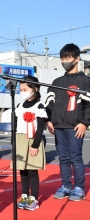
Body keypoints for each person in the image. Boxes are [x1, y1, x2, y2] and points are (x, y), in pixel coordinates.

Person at [45, 43, 90, 202]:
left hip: (75, 126)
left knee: (76, 157)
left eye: (68, 58)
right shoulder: (56, 81)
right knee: (63, 158)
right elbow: (49, 103)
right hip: (58, 126)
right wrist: (48, 120)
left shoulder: (85, 81)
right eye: (63, 58)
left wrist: (85, 122)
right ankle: (65, 185)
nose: (65, 61)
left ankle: (79, 188)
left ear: (77, 59)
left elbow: (88, 105)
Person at [13, 76, 47, 211]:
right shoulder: (18, 106)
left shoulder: (39, 106)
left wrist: (35, 145)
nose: (23, 92)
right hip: (20, 140)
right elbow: (15, 125)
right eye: (21, 90)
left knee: (32, 171)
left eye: (25, 89)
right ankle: (24, 196)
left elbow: (40, 127)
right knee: (23, 171)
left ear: (35, 89)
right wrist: (13, 143)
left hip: (33, 140)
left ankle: (34, 199)